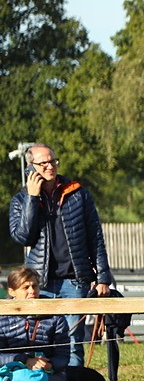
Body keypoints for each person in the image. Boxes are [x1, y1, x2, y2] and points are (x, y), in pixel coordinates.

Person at [8, 143, 114, 368]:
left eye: (53, 161)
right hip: (38, 283)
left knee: (73, 341)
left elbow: (95, 235)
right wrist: (31, 198)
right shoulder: (20, 200)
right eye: (43, 162)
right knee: (39, 339)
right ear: (31, 167)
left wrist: (103, 277)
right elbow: (23, 237)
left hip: (74, 280)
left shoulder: (78, 194)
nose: (50, 166)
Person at [0, 267, 70, 381]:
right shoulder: (2, 317)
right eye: (26, 287)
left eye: (35, 286)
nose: (32, 291)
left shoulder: (55, 315)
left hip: (53, 378)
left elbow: (64, 354)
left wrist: (50, 364)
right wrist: (25, 361)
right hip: (12, 377)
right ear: (12, 291)